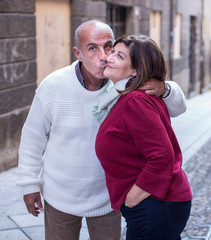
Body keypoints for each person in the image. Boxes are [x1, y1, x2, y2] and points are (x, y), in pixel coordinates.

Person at [16, 20, 187, 240]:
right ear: (78, 53)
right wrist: (29, 184)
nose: (104, 55)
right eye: (93, 48)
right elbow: (32, 137)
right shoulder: (53, 86)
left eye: (109, 46)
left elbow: (178, 108)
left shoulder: (126, 83)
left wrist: (165, 88)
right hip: (61, 194)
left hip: (108, 198)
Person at [95, 34, 193, 240]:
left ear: (136, 70)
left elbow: (162, 156)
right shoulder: (130, 96)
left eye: (119, 56)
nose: (109, 58)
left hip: (154, 204)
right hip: (159, 204)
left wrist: (132, 199)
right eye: (112, 52)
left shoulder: (135, 101)